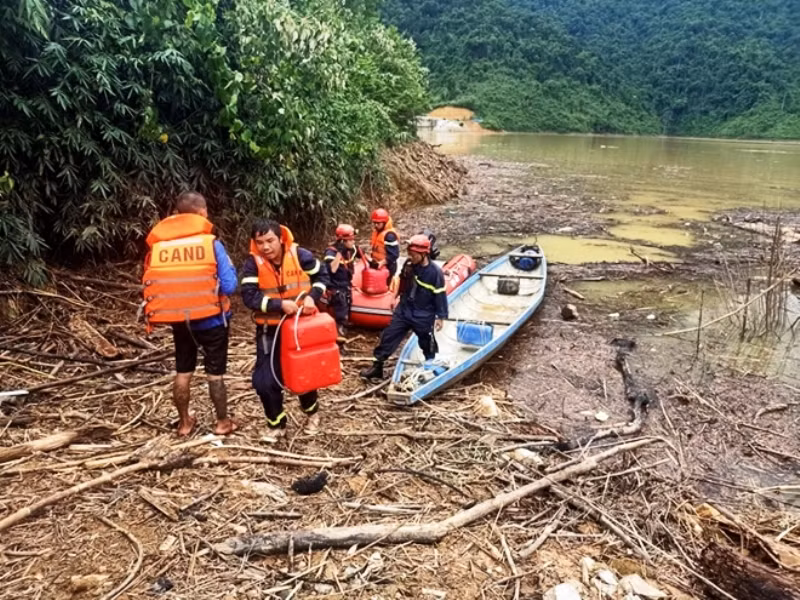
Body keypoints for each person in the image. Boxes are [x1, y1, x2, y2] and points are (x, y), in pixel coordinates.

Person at [142, 191, 238, 437]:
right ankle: (222, 423)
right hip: (212, 321)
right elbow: (229, 286)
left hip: (179, 322)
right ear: (203, 213)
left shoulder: (160, 248)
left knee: (183, 372)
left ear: (176, 215)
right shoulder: (211, 244)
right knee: (214, 375)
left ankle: (184, 423)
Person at [239, 219, 331, 437]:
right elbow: (249, 296)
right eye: (260, 242)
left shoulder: (301, 255)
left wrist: (313, 297)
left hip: (300, 327)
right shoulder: (253, 264)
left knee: (303, 374)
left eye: (270, 240)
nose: (266, 247)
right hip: (269, 330)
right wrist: (278, 305)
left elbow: (323, 276)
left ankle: (312, 414)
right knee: (263, 381)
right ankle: (276, 424)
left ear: (280, 239)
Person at [360, 235, 448, 380]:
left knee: (426, 341)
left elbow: (440, 296)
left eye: (413, 255)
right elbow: (402, 282)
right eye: (409, 254)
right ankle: (377, 366)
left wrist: (441, 317)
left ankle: (430, 365)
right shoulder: (409, 265)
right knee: (388, 336)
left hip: (424, 313)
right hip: (405, 309)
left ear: (423, 254)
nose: (410, 257)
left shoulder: (435, 273)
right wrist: (394, 297)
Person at [324, 224, 357, 340]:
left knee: (347, 303)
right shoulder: (331, 252)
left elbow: (359, 254)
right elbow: (332, 269)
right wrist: (339, 253)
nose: (353, 242)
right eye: (351, 240)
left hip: (345, 283)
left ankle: (345, 323)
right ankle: (339, 332)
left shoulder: (350, 250)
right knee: (340, 306)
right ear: (343, 241)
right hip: (336, 285)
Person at [369, 208, 399, 283]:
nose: (376, 225)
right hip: (377, 263)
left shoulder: (389, 236)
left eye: (378, 223)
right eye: (374, 223)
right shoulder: (377, 232)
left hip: (388, 266)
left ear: (384, 223)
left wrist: (382, 263)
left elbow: (394, 255)